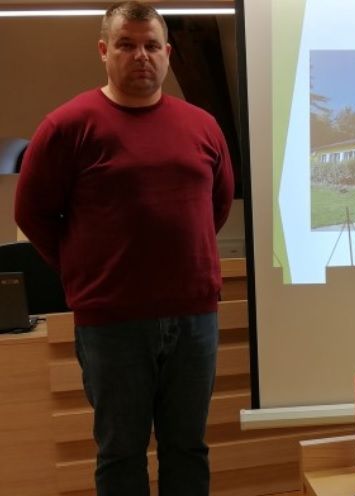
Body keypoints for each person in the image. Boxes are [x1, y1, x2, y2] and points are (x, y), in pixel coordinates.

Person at [14, 2, 234, 494]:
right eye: (127, 44)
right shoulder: (67, 126)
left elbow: (215, 208)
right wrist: (83, 268)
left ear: (168, 52)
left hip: (194, 317)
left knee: (188, 448)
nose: (141, 56)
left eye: (152, 45)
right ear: (103, 50)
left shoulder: (202, 125)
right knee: (120, 453)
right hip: (112, 322)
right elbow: (32, 215)